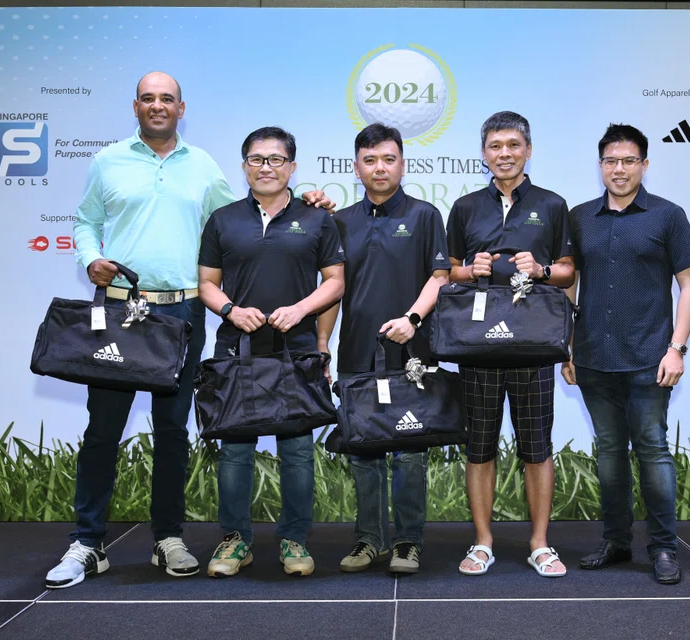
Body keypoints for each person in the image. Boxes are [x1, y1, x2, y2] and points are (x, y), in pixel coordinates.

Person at [47, 73, 332, 590]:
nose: (157, 105)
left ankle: (168, 539)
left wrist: (308, 199)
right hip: (121, 310)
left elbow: (250, 212)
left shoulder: (202, 166)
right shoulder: (107, 160)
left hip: (181, 313)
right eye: (148, 98)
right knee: (102, 432)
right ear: (136, 106)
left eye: (167, 99)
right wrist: (90, 258)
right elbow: (85, 222)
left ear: (181, 108)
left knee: (173, 431)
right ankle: (87, 543)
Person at [198, 126, 345, 578]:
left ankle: (294, 538)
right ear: (244, 166)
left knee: (297, 451)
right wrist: (230, 310)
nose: (266, 167)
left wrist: (301, 309)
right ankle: (235, 539)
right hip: (236, 349)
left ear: (292, 167)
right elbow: (207, 283)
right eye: (257, 159)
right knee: (235, 451)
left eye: (276, 159)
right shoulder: (222, 220)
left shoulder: (317, 219)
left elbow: (335, 282)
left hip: (295, 350)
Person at [562, 123, 690, 585]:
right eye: (610, 161)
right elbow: (569, 285)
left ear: (644, 164)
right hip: (592, 357)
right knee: (609, 454)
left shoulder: (667, 216)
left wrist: (676, 348)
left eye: (628, 161)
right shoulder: (580, 217)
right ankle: (617, 541)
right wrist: (566, 347)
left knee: (653, 452)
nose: (618, 169)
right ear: (600, 165)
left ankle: (663, 548)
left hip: (649, 359)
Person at [317, 123, 450, 575]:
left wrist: (412, 319)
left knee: (410, 453)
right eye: (370, 160)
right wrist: (323, 345)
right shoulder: (340, 221)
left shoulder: (425, 215)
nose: (380, 168)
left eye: (388, 159)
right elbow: (333, 291)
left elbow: (439, 278)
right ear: (356, 168)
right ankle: (369, 540)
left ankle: (408, 542)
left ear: (402, 165)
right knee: (364, 450)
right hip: (357, 353)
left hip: (413, 355)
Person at [448, 111, 575, 578]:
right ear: (483, 154)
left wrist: (541, 269)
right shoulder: (465, 207)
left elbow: (568, 271)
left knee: (536, 448)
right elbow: (448, 272)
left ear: (529, 150)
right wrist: (470, 270)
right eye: (495, 146)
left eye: (513, 145)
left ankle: (539, 543)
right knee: (479, 448)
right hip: (478, 347)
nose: (505, 154)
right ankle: (483, 541)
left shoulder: (553, 204)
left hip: (533, 346)